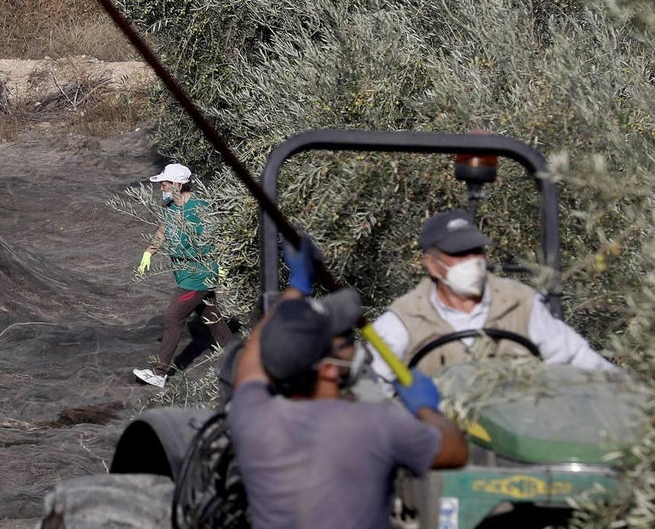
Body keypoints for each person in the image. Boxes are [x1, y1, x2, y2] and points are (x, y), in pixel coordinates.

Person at [229, 287, 468, 529]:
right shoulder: (375, 424)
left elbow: (251, 365)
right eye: (346, 339)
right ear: (328, 369)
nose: (354, 346)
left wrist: (293, 293)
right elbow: (456, 452)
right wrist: (426, 408)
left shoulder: (251, 415)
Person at [369, 209, 618, 381]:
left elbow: (578, 358)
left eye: (476, 251)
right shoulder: (404, 319)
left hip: (518, 442)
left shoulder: (520, 303)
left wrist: (631, 397)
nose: (473, 261)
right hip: (440, 445)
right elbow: (373, 386)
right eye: (459, 253)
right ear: (432, 264)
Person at [132, 163, 232, 388]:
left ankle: (159, 372)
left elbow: (219, 237)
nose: (161, 187)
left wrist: (222, 265)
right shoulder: (171, 208)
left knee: (172, 318)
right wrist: (148, 253)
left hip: (199, 275)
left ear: (178, 184)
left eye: (165, 183)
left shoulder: (200, 209)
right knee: (213, 319)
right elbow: (162, 232)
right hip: (184, 274)